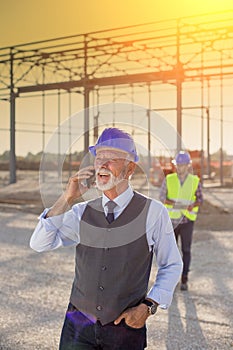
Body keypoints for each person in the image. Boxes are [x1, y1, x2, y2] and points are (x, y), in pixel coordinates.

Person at [30, 127, 183, 350]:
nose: (102, 164)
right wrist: (67, 198)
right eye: (99, 157)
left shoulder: (153, 212)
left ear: (130, 168)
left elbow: (172, 264)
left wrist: (148, 306)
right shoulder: (81, 211)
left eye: (111, 159)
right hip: (78, 326)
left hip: (125, 329)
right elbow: (39, 243)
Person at [159, 151, 203, 291]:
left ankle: (184, 279)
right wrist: (174, 203)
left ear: (188, 166)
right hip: (172, 221)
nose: (180, 167)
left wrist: (193, 205)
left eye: (183, 165)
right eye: (178, 165)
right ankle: (170, 280)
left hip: (187, 221)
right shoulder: (169, 179)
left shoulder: (194, 180)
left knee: (186, 250)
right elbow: (161, 197)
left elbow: (200, 199)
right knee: (171, 252)